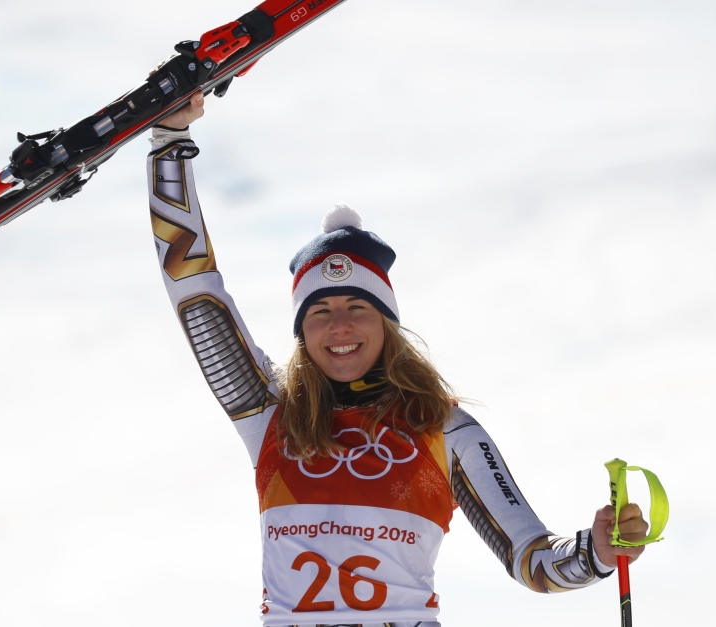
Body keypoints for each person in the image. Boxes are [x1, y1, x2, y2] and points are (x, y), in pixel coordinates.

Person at [147, 93, 649, 627]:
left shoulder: (443, 428)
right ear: (302, 332)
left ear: (386, 323)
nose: (339, 326)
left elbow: (533, 562)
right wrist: (169, 146)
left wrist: (594, 552)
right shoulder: (271, 414)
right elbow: (194, 291)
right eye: (320, 312)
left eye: (357, 307)